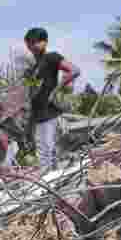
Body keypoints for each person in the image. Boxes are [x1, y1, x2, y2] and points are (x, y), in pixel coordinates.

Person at [24, 27, 80, 171]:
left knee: (51, 150)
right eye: (30, 42)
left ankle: (56, 183)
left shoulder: (51, 57)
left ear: (45, 42)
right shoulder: (32, 69)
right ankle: (47, 186)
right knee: (42, 155)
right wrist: (29, 124)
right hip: (38, 117)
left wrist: (57, 89)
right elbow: (32, 96)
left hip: (50, 114)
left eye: (37, 41)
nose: (33, 45)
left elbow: (74, 70)